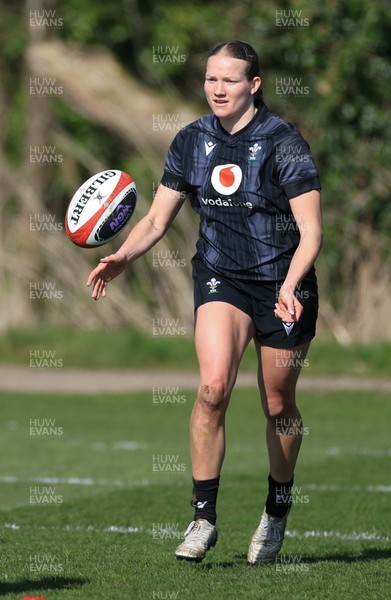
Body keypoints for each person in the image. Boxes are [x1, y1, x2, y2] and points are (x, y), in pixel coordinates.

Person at [87, 40, 322, 564]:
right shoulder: (191, 140)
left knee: (278, 404)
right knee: (212, 388)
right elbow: (155, 219)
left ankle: (277, 508)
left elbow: (311, 232)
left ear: (253, 85)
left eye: (230, 80)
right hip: (221, 277)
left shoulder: (284, 143)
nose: (218, 89)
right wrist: (122, 257)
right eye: (211, 79)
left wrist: (290, 284)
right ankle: (202, 518)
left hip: (285, 285)